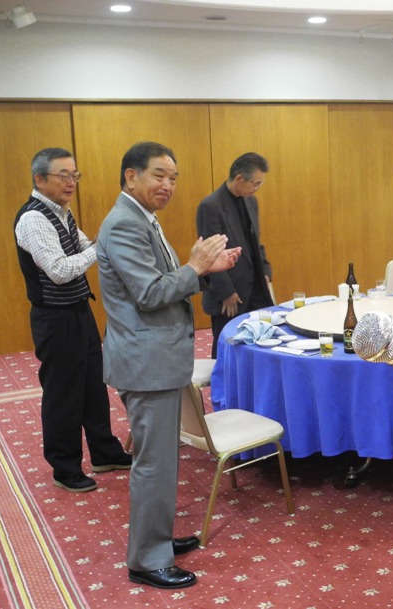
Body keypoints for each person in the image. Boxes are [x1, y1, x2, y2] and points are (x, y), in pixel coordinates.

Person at [97, 141, 241, 590]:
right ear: (131, 176)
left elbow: (160, 282)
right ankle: (146, 559)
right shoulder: (124, 223)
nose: (168, 185)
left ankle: (157, 538)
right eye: (159, 175)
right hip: (146, 363)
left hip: (156, 358)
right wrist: (195, 267)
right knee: (154, 464)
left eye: (173, 178)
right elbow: (150, 294)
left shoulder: (142, 217)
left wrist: (202, 269)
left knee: (163, 459)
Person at [13, 148, 132, 493]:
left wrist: (98, 242)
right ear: (40, 179)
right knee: (63, 393)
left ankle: (104, 452)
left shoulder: (62, 212)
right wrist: (99, 247)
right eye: (63, 175)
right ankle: (64, 467)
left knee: (93, 385)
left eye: (74, 175)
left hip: (78, 310)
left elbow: (82, 246)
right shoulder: (33, 219)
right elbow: (60, 271)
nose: (71, 182)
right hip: (54, 318)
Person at [196, 152, 273, 358]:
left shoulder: (251, 201)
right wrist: (226, 293)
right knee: (227, 348)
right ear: (239, 179)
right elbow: (210, 255)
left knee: (262, 343)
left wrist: (265, 271)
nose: (257, 188)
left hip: (255, 288)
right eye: (255, 183)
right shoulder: (210, 206)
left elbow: (255, 242)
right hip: (230, 294)